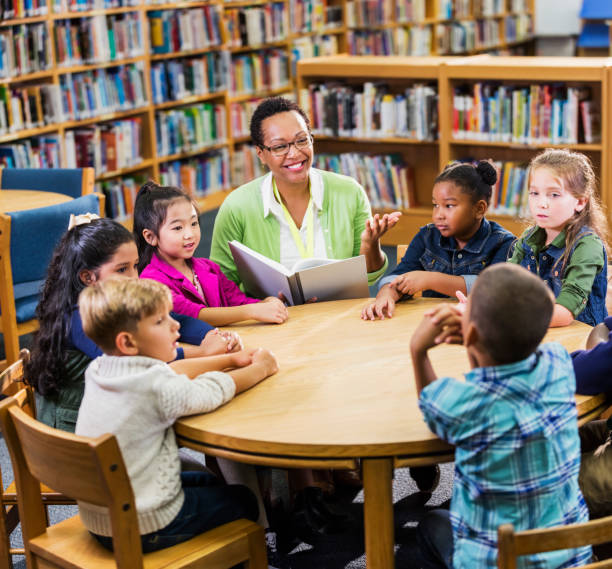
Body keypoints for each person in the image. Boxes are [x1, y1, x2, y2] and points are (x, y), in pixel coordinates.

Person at [75, 277, 278, 554]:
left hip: (103, 513)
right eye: (160, 321)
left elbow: (171, 372)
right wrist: (261, 369)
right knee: (243, 500)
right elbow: (210, 392)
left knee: (208, 482)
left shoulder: (101, 368)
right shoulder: (154, 387)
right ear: (127, 342)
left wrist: (230, 360)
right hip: (144, 525)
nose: (176, 325)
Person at [409, 263, 592, 568]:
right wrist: (476, 341)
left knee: (432, 525)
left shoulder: (466, 404)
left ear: (473, 332)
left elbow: (432, 407)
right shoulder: (559, 362)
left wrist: (419, 350)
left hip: (498, 561)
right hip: (570, 557)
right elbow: (496, 380)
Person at [26, 216, 239, 433]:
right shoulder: (79, 316)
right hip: (77, 440)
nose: (133, 278)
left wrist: (210, 334)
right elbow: (138, 360)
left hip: (111, 423)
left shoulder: (113, 300)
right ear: (88, 278)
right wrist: (204, 352)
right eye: (121, 270)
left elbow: (174, 318)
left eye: (135, 266)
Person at [209, 96, 400, 289]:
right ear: (261, 154)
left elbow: (369, 277)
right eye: (280, 146)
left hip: (338, 313)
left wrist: (370, 244)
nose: (294, 154)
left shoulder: (350, 192)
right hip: (270, 317)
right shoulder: (236, 206)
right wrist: (257, 309)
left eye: (301, 140)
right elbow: (220, 285)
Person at [362, 160, 514, 320]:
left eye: (449, 206)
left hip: (479, 327)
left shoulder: (504, 243)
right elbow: (397, 276)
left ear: (479, 209)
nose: (438, 214)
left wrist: (430, 279)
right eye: (435, 205)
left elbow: (492, 289)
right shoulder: (427, 236)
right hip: (432, 325)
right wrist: (386, 295)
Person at [134, 181, 289, 326]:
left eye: (193, 223)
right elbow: (193, 315)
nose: (189, 234)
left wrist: (266, 303)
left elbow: (238, 301)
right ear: (151, 237)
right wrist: (252, 311)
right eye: (178, 228)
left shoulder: (209, 267)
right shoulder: (151, 281)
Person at [508, 148, 609, 327]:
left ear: (580, 202)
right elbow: (504, 282)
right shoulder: (528, 238)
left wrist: (510, 318)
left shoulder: (587, 245)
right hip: (538, 332)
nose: (541, 203)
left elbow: (565, 311)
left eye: (554, 195)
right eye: (534, 193)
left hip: (582, 342)